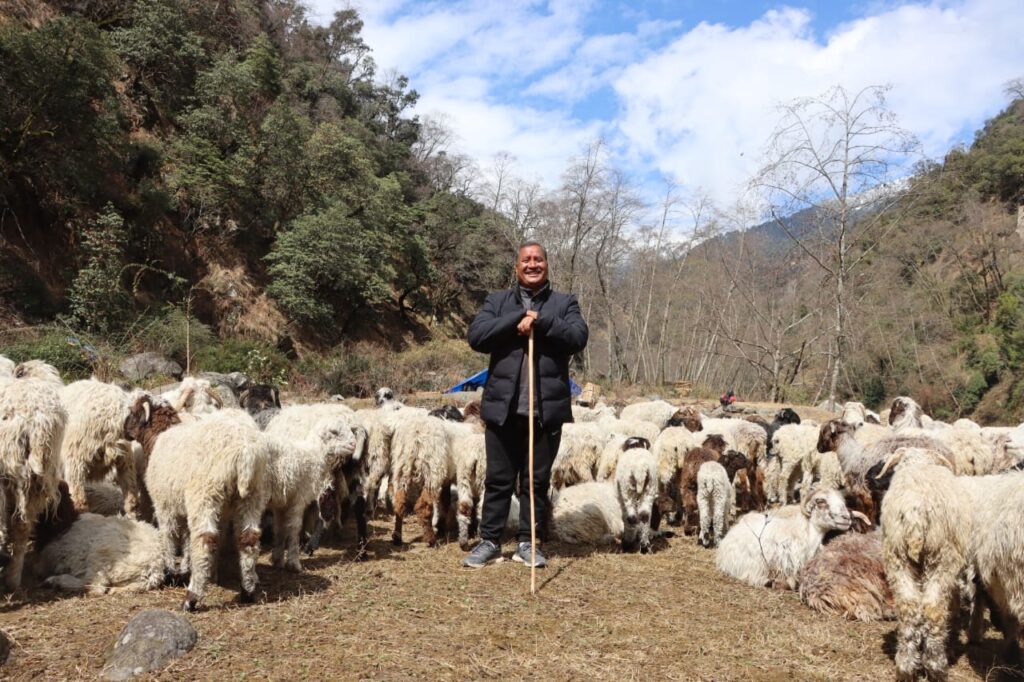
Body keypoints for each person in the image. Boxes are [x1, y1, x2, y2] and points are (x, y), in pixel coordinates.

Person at [461, 241, 589, 569]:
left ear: (547, 265)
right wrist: (517, 317)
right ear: (516, 267)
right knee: (498, 479)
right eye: (526, 260)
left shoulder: (564, 303)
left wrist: (541, 320)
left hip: (544, 412)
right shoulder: (497, 301)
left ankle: (528, 542)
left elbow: (578, 337)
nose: (533, 264)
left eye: (538, 260)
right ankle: (489, 541)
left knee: (535, 481)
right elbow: (477, 336)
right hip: (503, 409)